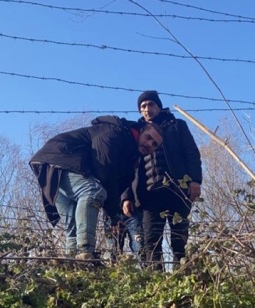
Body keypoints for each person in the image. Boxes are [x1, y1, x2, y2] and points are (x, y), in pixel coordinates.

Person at [30, 115, 163, 260]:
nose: (149, 144)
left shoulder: (130, 156)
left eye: (155, 144)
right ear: (141, 130)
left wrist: (114, 214)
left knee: (74, 217)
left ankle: (72, 260)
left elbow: (119, 185)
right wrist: (113, 214)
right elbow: (104, 170)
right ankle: (86, 252)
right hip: (61, 156)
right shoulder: (114, 133)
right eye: (148, 137)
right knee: (92, 191)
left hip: (49, 165)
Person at [121, 90, 202, 269]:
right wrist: (126, 196)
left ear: (158, 106)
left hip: (178, 192)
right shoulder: (136, 132)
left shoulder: (177, 126)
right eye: (143, 106)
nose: (147, 109)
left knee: (180, 241)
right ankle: (155, 284)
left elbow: (192, 154)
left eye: (151, 104)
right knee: (151, 243)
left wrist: (195, 180)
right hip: (149, 196)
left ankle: (182, 281)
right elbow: (127, 165)